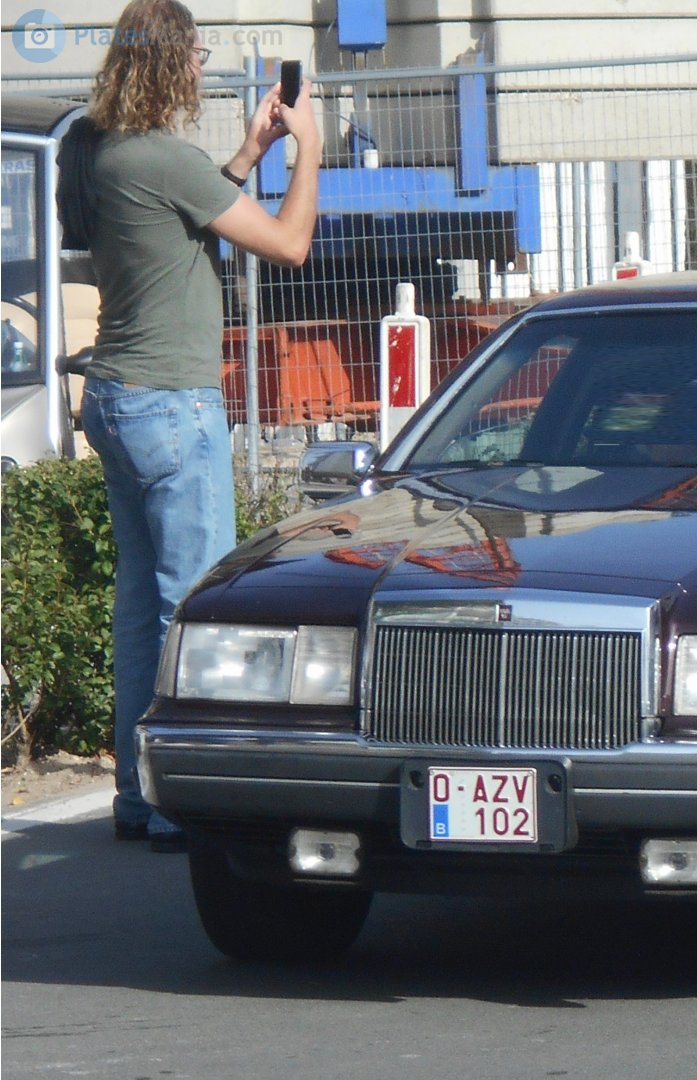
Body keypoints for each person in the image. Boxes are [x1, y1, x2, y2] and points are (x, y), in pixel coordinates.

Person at [75, 0, 320, 852]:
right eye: (197, 53)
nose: (201, 67)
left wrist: (249, 155)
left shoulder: (109, 154)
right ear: (171, 61)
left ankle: (137, 794)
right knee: (195, 607)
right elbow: (288, 245)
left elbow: (180, 222)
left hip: (115, 396)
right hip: (172, 404)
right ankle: (179, 802)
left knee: (141, 607)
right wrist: (309, 151)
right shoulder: (165, 157)